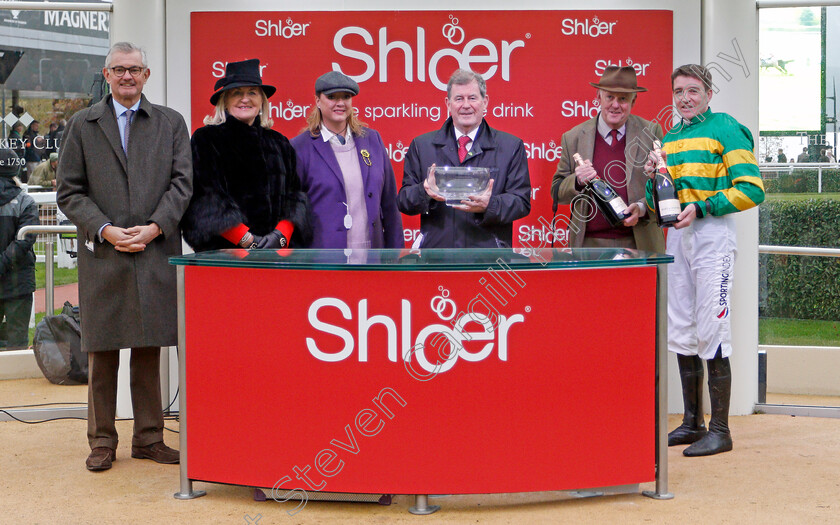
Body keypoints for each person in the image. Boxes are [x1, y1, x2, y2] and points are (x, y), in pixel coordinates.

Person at [57, 42, 193, 471]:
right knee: (101, 351)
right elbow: (69, 191)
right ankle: (102, 440)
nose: (127, 76)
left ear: (146, 75)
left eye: (134, 69)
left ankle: (149, 437)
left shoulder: (171, 123)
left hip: (154, 250)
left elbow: (182, 184)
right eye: (119, 69)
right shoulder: (82, 124)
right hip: (105, 253)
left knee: (148, 347)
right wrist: (105, 229)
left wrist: (155, 228)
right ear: (106, 74)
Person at [645, 64, 765, 457]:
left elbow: (752, 189)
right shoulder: (671, 136)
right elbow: (658, 202)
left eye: (693, 90)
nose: (685, 98)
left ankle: (721, 429)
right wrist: (652, 178)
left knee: (712, 325)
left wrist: (703, 206)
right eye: (678, 91)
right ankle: (692, 423)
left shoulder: (726, 128)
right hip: (678, 235)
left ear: (709, 93)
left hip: (713, 235)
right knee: (681, 326)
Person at [182, 59, 311, 252]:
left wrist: (280, 237)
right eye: (237, 93)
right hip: (228, 256)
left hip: (275, 257)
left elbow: (295, 196)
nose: (245, 99)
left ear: (261, 100)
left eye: (252, 92)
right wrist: (247, 241)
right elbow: (206, 199)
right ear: (224, 100)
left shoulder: (280, 142)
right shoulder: (207, 139)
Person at [398, 69, 531, 248]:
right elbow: (404, 201)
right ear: (448, 103)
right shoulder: (421, 146)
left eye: (472, 98)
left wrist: (489, 205)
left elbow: (521, 202)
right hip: (437, 258)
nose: (466, 105)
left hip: (489, 260)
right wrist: (425, 191)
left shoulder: (511, 146)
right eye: (459, 98)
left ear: (485, 102)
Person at [551, 66, 665, 251]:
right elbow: (557, 193)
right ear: (598, 97)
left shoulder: (651, 133)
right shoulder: (573, 137)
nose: (615, 105)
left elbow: (664, 186)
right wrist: (578, 181)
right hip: (588, 245)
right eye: (609, 97)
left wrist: (641, 208)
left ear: (633, 101)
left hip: (639, 242)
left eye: (623, 99)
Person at [291, 71, 402, 250]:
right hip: (323, 261)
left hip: (371, 259)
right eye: (332, 97)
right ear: (318, 101)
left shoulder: (372, 140)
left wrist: (396, 255)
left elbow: (390, 204)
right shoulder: (300, 147)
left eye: (346, 96)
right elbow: (293, 213)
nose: (340, 103)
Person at [0, 148, 38, 350]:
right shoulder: (26, 202)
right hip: (19, 281)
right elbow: (25, 239)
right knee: (17, 345)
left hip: (17, 279)